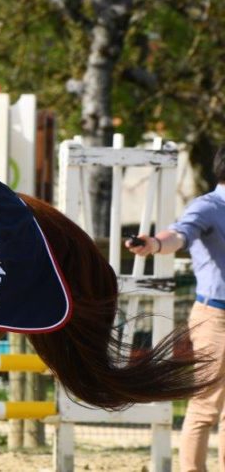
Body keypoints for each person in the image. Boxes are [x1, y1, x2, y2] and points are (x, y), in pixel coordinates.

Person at [125, 143, 225, 472]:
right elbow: (180, 234)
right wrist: (154, 244)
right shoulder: (208, 207)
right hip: (216, 318)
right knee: (207, 406)